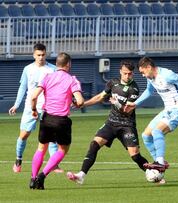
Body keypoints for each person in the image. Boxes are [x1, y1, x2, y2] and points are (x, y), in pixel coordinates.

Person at [66, 60, 149, 185]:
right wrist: (83, 104)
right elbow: (100, 97)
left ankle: (152, 172)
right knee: (94, 144)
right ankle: (81, 175)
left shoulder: (134, 88)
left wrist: (116, 102)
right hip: (111, 122)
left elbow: (127, 111)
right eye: (125, 73)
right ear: (120, 71)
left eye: (130, 74)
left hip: (127, 125)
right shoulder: (112, 83)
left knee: (135, 156)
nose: (127, 76)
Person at [124, 57, 178, 175]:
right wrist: (135, 104)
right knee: (146, 136)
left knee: (157, 132)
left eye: (143, 72)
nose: (143, 75)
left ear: (148, 67)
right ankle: (158, 163)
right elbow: (149, 91)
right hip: (167, 111)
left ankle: (159, 162)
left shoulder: (167, 75)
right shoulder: (151, 78)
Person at [29, 52, 84, 190]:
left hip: (46, 118)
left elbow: (34, 96)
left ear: (57, 64)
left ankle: (33, 178)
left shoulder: (47, 77)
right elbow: (80, 100)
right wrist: (77, 104)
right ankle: (42, 175)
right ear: (68, 64)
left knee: (41, 148)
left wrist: (34, 110)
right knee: (62, 149)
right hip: (61, 121)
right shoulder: (72, 79)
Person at [8, 43, 62, 173]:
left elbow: (58, 88)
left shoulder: (53, 69)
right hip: (30, 107)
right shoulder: (28, 69)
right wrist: (16, 104)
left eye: (43, 55)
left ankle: (54, 164)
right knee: (24, 135)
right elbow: (23, 88)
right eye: (38, 55)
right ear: (34, 55)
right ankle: (18, 159)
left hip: (48, 107)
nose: (41, 57)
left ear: (46, 54)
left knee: (51, 136)